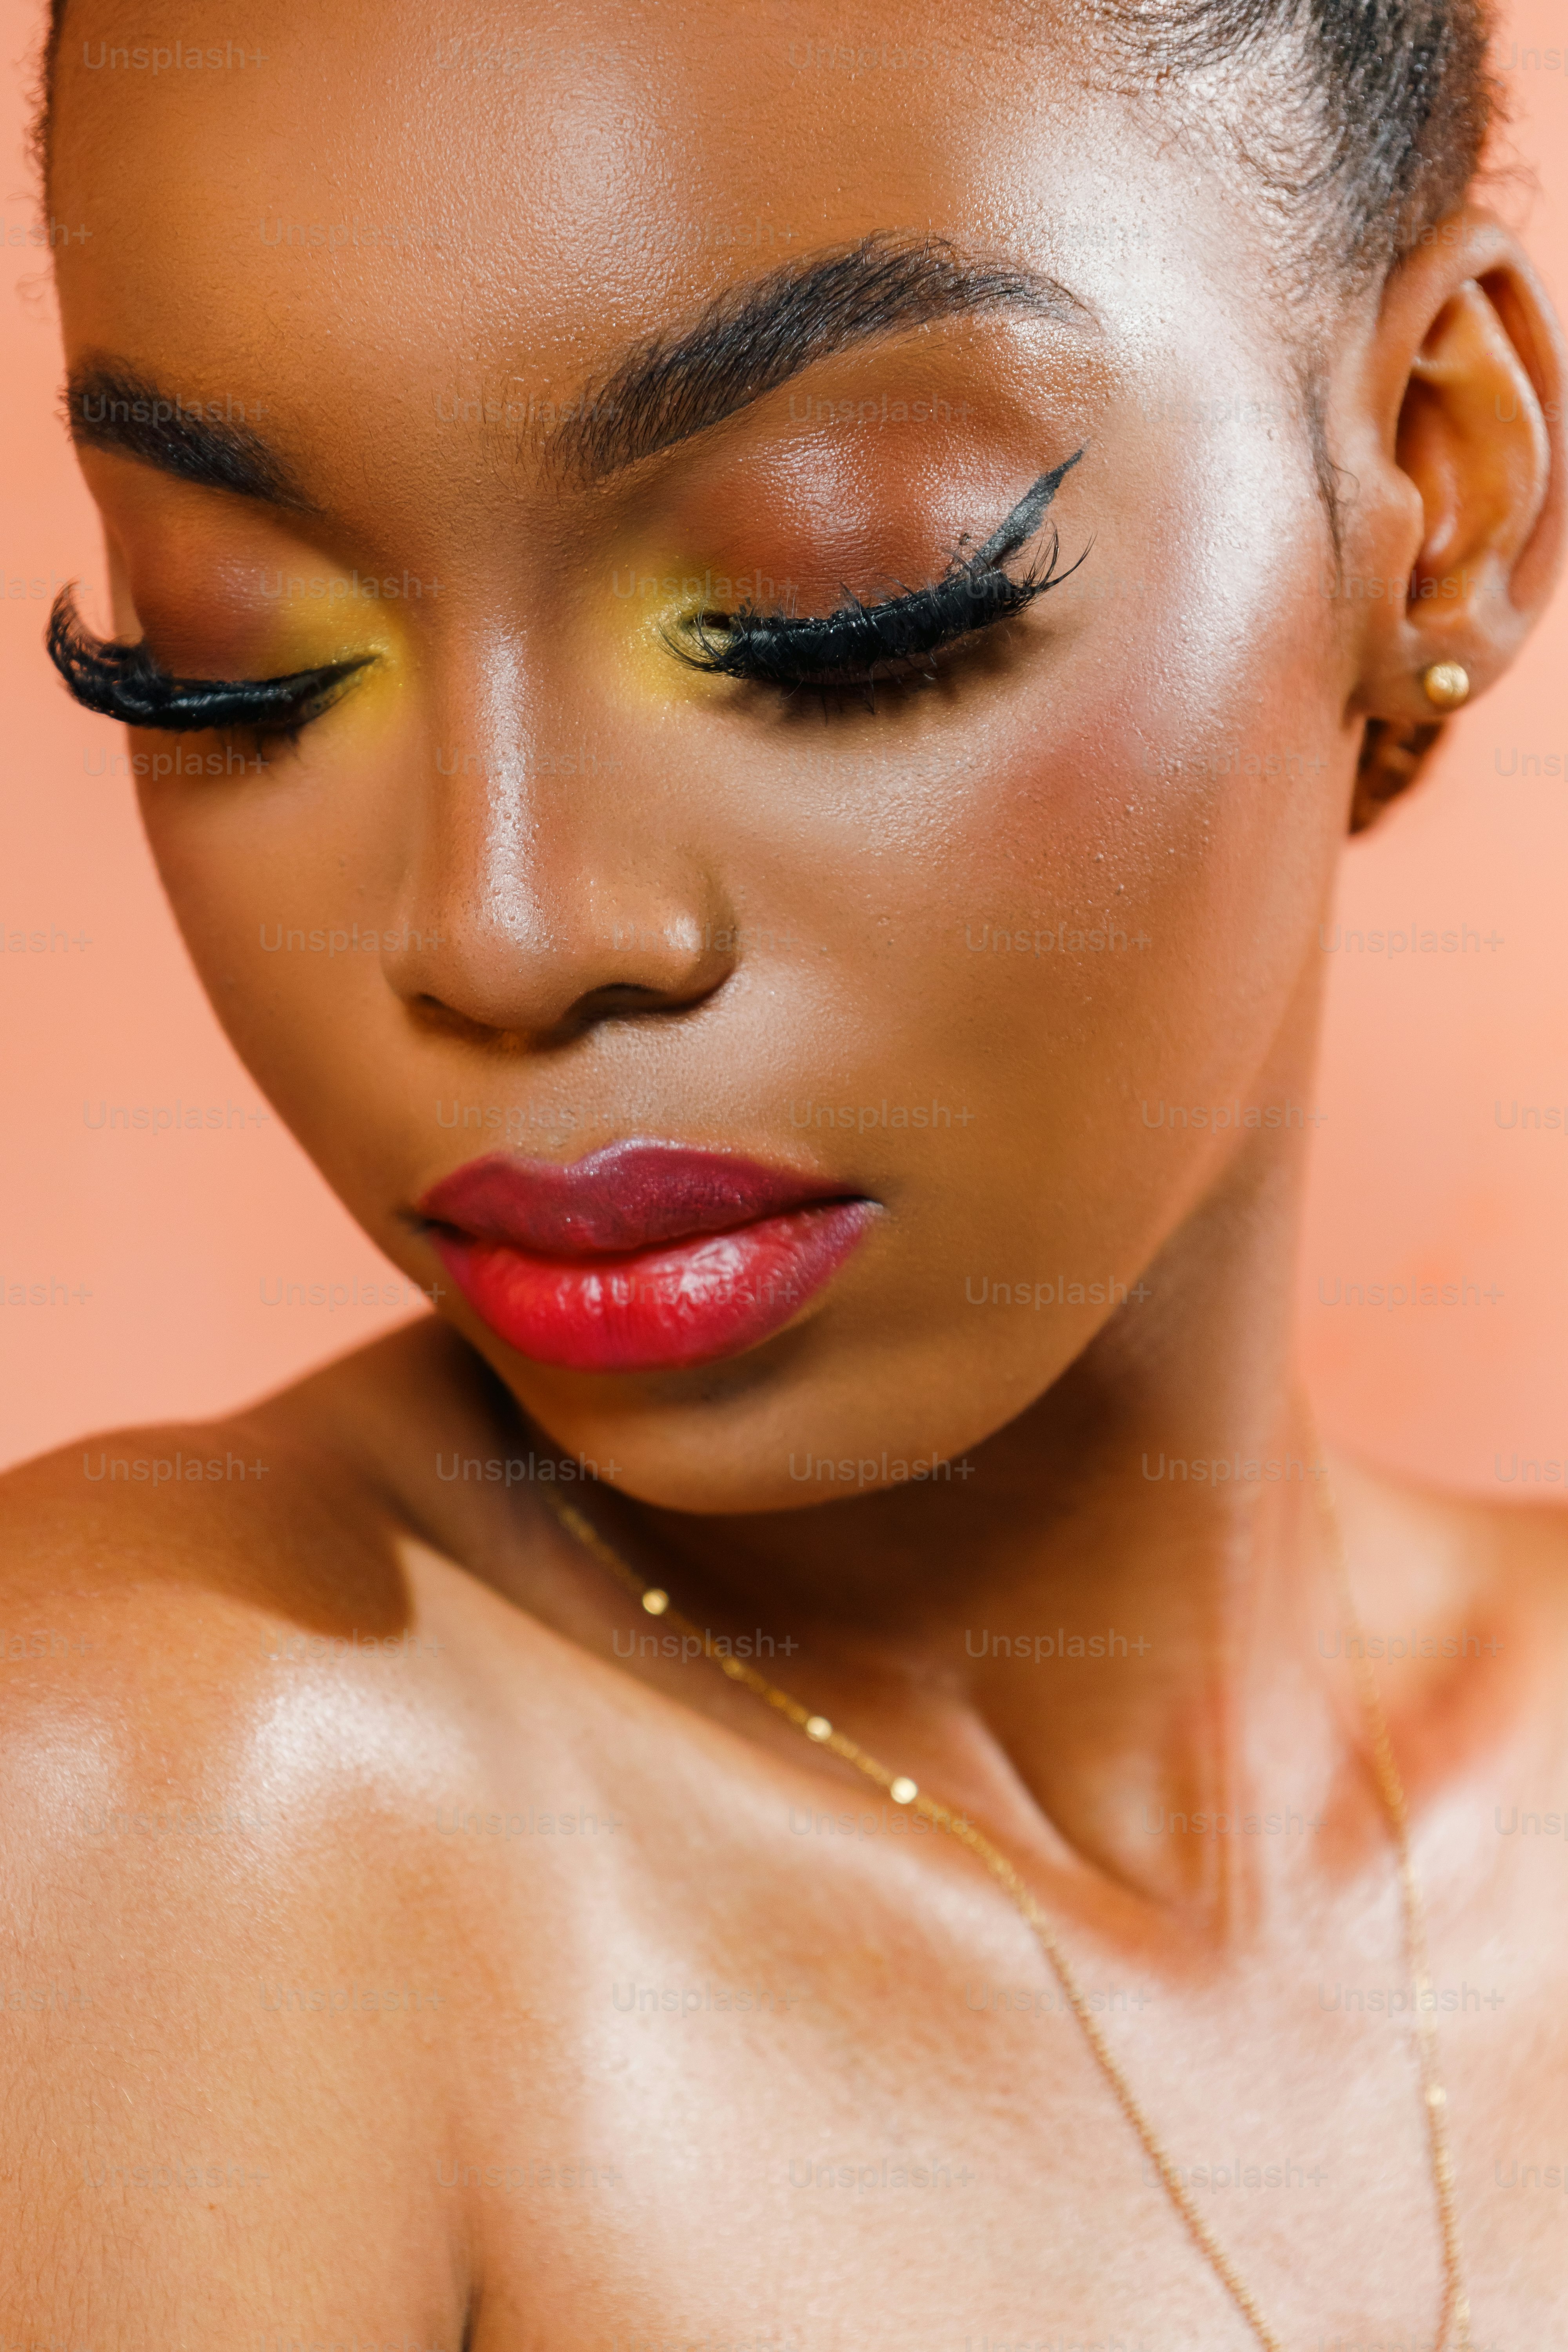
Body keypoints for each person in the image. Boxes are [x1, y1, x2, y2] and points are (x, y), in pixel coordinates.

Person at [4, 0, 1564, 2340]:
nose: (500, 931)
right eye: (230, 665)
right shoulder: (175, 1795)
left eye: (837, 611)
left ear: (1435, 484)